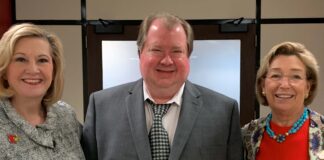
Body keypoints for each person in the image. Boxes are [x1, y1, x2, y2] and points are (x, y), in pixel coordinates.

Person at [82, 12, 242, 160]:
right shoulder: (101, 107)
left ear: (188, 56)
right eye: (156, 50)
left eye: (176, 51)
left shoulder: (224, 112)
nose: (167, 60)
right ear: (140, 54)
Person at [0, 23, 85, 159]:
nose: (33, 70)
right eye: (21, 59)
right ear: (4, 69)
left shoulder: (66, 115)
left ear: (54, 68)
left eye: (42, 60)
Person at [241, 41, 324, 160]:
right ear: (263, 85)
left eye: (295, 76)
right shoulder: (248, 134)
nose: (284, 85)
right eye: (276, 75)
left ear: (308, 87)